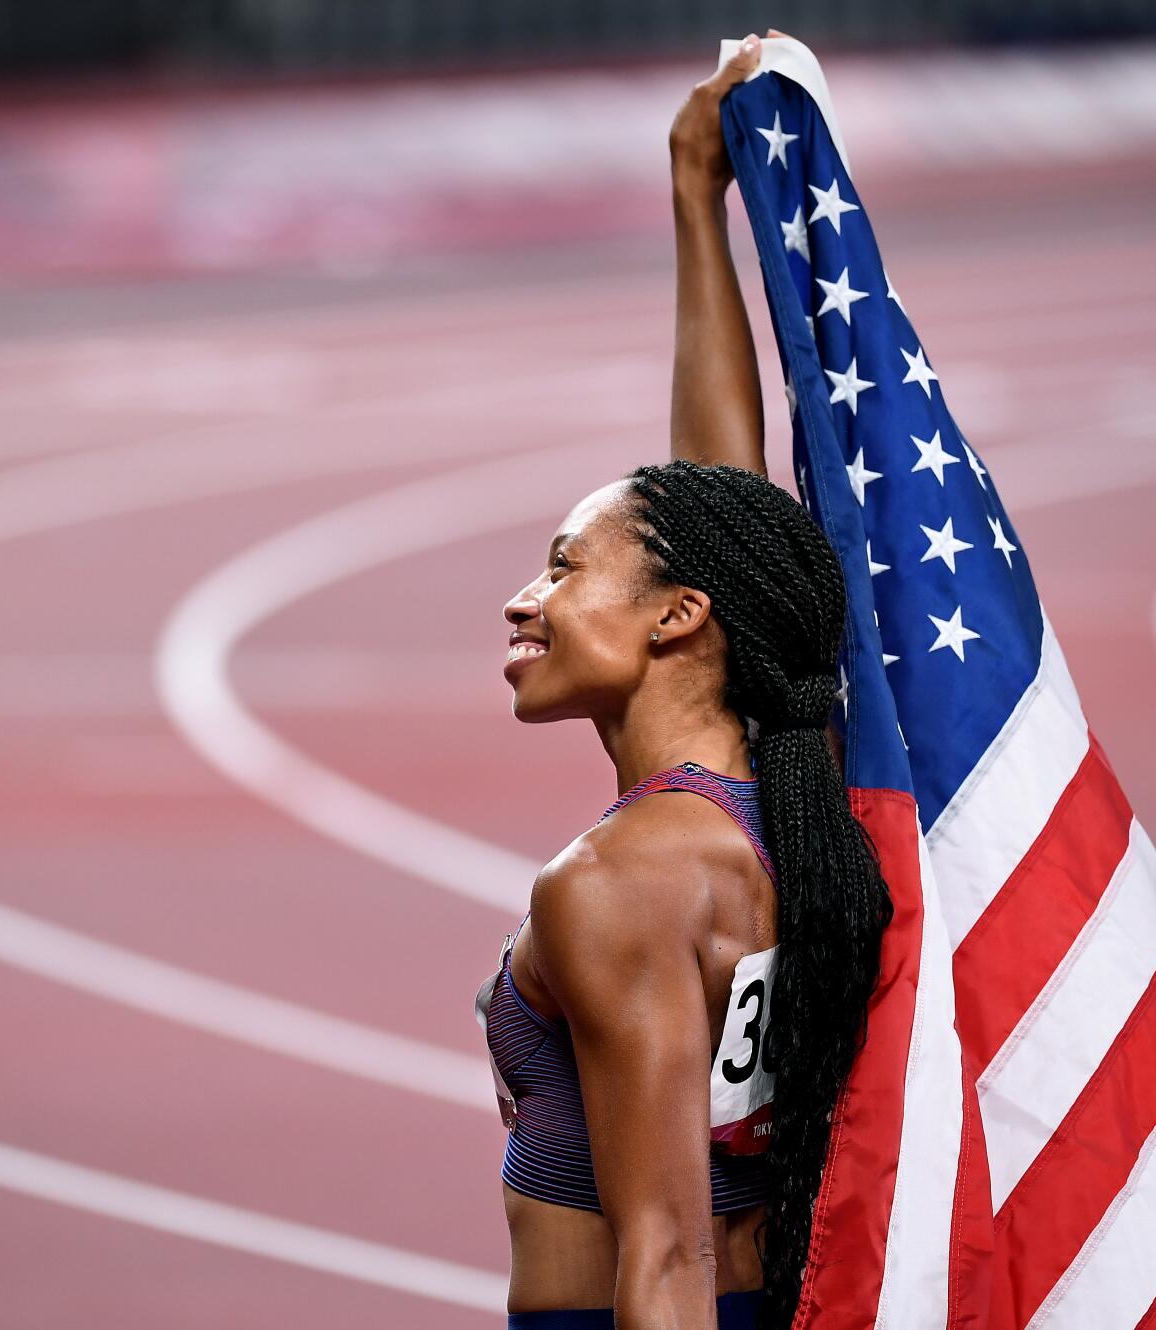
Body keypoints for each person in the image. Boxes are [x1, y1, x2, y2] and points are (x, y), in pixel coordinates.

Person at [475, 32, 892, 1330]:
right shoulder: (794, 790)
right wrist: (693, 200)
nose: (523, 598)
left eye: (562, 569)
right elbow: (727, 507)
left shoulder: (619, 880)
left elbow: (665, 1257)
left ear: (676, 615)